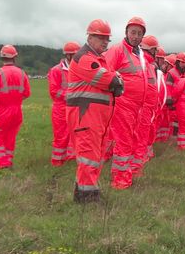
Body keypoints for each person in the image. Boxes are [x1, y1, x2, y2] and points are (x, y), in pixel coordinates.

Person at [67, 19, 122, 203]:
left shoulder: (100, 59)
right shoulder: (84, 58)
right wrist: (115, 79)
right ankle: (87, 197)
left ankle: (86, 191)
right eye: (100, 38)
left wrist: (115, 80)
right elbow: (110, 81)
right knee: (88, 156)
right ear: (90, 37)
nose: (105, 42)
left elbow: (115, 84)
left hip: (96, 118)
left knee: (95, 157)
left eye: (107, 39)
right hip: (85, 116)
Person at [105, 16, 147, 189]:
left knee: (130, 139)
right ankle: (120, 180)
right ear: (126, 33)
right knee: (123, 141)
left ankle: (127, 172)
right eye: (133, 32)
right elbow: (107, 74)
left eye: (139, 33)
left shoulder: (139, 54)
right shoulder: (117, 50)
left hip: (136, 106)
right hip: (123, 104)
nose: (136, 36)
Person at [0, 45, 31, 169]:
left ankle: (2, 163)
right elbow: (27, 93)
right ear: (15, 57)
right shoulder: (22, 73)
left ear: (2, 57)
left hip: (3, 110)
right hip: (17, 111)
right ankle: (8, 161)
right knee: (10, 137)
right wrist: (15, 99)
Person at [48, 41, 81, 166]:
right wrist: (70, 95)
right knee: (61, 136)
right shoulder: (56, 70)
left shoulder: (79, 69)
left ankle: (71, 157)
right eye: (75, 56)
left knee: (76, 134)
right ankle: (57, 161)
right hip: (61, 109)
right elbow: (54, 92)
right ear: (68, 56)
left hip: (76, 108)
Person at [135, 34, 159, 170]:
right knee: (138, 138)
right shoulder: (142, 63)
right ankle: (135, 168)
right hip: (141, 108)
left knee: (142, 138)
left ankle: (137, 166)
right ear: (149, 49)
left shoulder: (149, 65)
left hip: (148, 108)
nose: (156, 53)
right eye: (155, 49)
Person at [164, 51, 185, 143]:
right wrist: (169, 100)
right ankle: (172, 141)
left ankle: (176, 140)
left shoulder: (184, 73)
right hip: (173, 102)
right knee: (173, 122)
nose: (183, 64)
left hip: (181, 102)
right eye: (182, 62)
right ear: (177, 62)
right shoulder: (172, 72)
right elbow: (168, 87)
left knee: (178, 122)